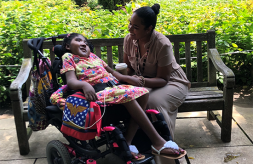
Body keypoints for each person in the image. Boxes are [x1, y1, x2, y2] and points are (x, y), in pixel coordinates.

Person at [51, 32, 186, 161]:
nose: (84, 44)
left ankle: (127, 141)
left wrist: (130, 79)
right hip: (97, 92)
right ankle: (157, 142)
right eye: (78, 40)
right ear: (68, 47)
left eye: (85, 42)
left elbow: (116, 74)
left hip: (113, 88)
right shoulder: (69, 57)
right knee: (127, 96)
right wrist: (84, 85)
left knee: (143, 93)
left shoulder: (94, 57)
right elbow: (70, 81)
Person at [123, 3, 191, 164]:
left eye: (135, 27)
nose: (130, 29)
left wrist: (138, 81)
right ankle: (137, 147)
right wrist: (129, 82)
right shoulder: (129, 39)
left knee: (153, 103)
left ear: (149, 29)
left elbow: (163, 79)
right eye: (130, 24)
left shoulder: (162, 44)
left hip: (172, 83)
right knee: (128, 98)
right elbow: (129, 68)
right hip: (144, 83)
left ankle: (165, 156)